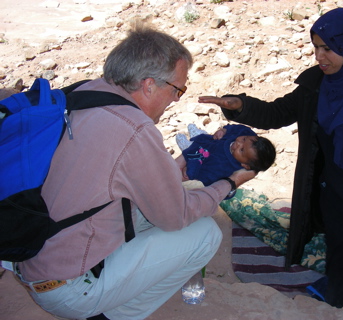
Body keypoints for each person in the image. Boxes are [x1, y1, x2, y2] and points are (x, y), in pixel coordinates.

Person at [12, 26, 255, 320]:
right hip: (67, 289)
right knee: (204, 233)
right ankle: (113, 315)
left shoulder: (85, 91)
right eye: (177, 89)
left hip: (31, 250)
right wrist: (227, 184)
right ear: (149, 85)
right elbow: (174, 216)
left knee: (179, 197)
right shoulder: (134, 129)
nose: (176, 99)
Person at [199, 8, 343, 316]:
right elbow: (278, 113)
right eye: (315, 48)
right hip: (333, 193)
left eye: (327, 49)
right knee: (342, 263)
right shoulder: (317, 85)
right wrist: (239, 106)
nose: (319, 56)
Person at [175, 123, 276, 188]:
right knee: (204, 138)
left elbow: (208, 176)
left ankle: (188, 147)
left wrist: (192, 172)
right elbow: (236, 128)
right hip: (211, 140)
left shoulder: (225, 167)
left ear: (245, 165)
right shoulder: (247, 133)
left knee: (193, 153)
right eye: (244, 139)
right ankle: (198, 135)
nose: (238, 144)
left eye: (241, 150)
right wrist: (223, 130)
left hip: (201, 155)